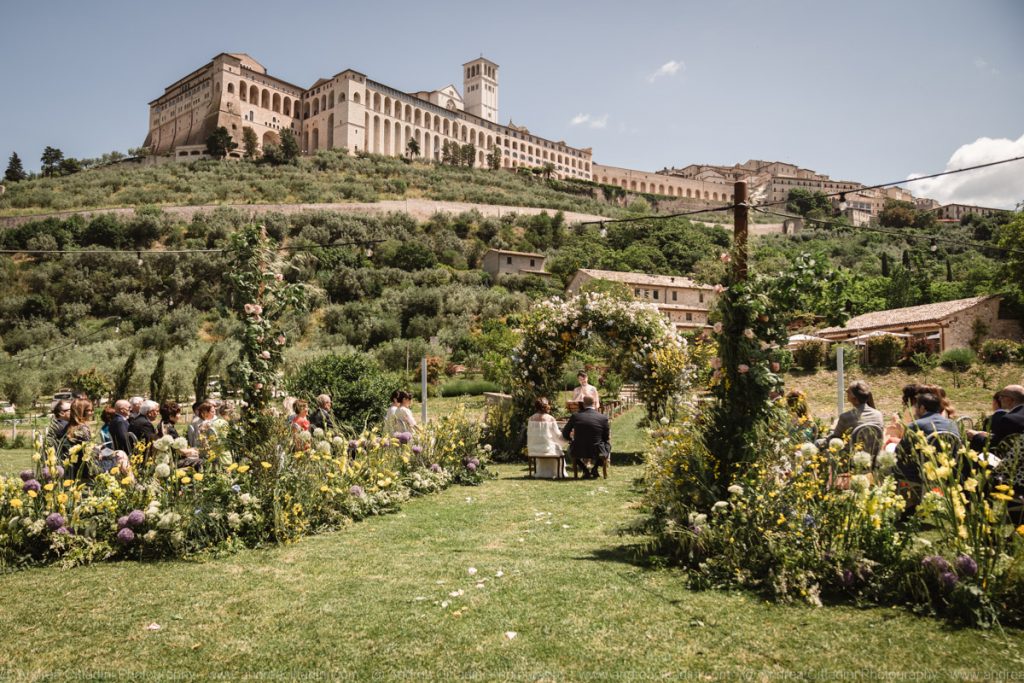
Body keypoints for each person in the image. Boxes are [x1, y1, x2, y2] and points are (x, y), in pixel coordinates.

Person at [894, 392, 959, 484]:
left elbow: (900, 451)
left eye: (916, 407)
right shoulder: (953, 424)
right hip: (949, 472)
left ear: (922, 408)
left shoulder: (916, 425)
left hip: (922, 474)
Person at [820, 380, 884, 448]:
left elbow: (835, 439)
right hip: (874, 454)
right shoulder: (878, 414)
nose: (846, 392)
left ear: (854, 398)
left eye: (848, 392)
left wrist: (831, 430)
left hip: (852, 456)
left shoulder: (846, 417)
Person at [561, 395, 610, 479]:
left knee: (571, 450)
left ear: (583, 404)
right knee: (607, 447)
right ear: (594, 403)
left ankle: (585, 470)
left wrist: (571, 440)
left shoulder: (576, 416)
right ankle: (595, 468)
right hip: (597, 449)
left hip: (579, 449)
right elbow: (606, 437)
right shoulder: (603, 418)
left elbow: (565, 433)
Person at [966, 385, 1024, 451]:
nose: (999, 399)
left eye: (1002, 396)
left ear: (1009, 400)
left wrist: (976, 436)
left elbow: (996, 446)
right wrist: (989, 435)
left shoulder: (1009, 419)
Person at [527, 397, 569, 479]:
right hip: (547, 449)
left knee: (554, 445)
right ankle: (555, 472)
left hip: (533, 448)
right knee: (557, 447)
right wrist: (566, 439)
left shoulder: (531, 418)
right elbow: (557, 436)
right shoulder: (550, 419)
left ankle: (542, 472)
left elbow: (530, 435)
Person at [65, 399, 94, 480]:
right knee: (120, 455)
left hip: (76, 465)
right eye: (89, 410)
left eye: (92, 410)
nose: (91, 413)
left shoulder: (70, 427)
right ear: (81, 411)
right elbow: (89, 450)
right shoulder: (82, 429)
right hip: (85, 467)